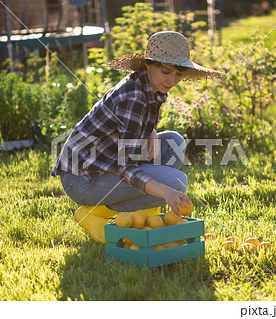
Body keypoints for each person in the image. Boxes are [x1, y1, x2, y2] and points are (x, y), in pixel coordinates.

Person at [51, 31, 224, 243]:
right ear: (148, 65)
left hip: (107, 163)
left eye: (179, 74)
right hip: (83, 179)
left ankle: (147, 217)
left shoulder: (150, 86)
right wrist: (166, 192)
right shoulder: (133, 97)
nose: (172, 80)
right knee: (176, 182)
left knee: (173, 143)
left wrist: (150, 131)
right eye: (165, 71)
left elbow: (131, 128)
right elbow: (126, 167)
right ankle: (94, 214)